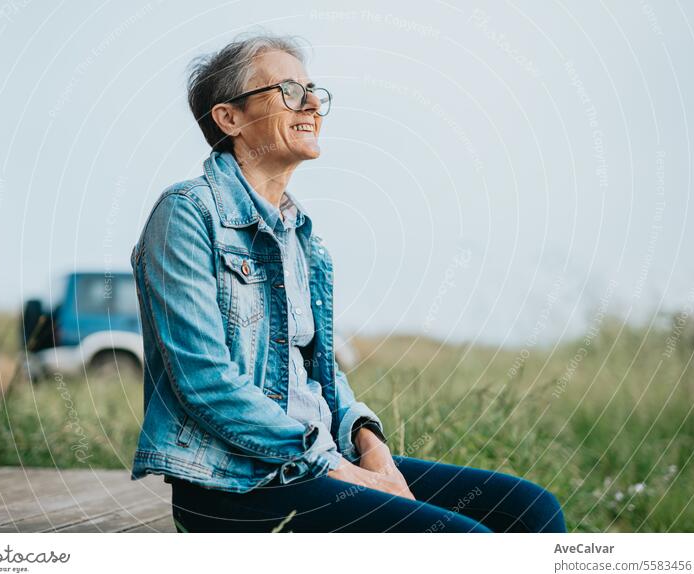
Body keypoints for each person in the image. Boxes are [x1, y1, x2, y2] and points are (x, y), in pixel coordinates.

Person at [129, 32, 566, 533]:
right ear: (230, 118)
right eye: (289, 91)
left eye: (313, 91)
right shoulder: (186, 214)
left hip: (319, 460)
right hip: (238, 485)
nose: (313, 103)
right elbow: (204, 382)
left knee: (532, 509)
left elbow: (321, 374)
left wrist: (368, 442)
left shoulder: (303, 239)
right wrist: (337, 468)